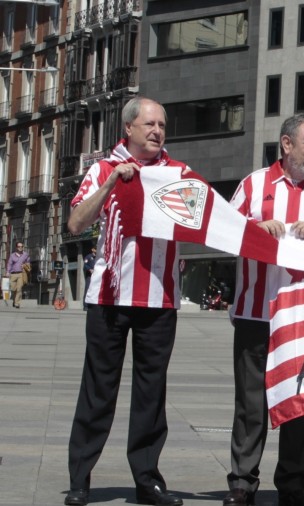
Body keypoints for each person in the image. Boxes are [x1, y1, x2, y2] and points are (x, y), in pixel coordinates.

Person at [64, 97, 188, 506]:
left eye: (163, 126)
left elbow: (211, 216)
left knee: (151, 395)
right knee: (98, 390)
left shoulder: (178, 173)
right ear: (129, 128)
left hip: (160, 297)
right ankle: (81, 478)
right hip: (109, 297)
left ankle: (148, 480)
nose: (157, 131)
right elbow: (76, 222)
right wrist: (110, 183)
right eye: (150, 124)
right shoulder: (103, 168)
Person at [224, 114, 304, 506]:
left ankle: (292, 486)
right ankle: (242, 483)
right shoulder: (253, 185)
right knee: (250, 403)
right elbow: (223, 230)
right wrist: (254, 231)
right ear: (286, 144)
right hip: (255, 312)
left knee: (299, 404)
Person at [6, 241, 29, 308]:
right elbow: (9, 264)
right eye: (19, 246)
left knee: (19, 288)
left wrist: (25, 265)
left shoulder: (25, 255)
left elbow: (28, 262)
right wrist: (8, 272)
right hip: (13, 274)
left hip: (21, 274)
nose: (20, 248)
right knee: (13, 289)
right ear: (16, 247)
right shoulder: (12, 255)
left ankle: (17, 303)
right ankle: (14, 300)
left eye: (21, 246)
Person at [82, 246, 96, 310]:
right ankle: (86, 305)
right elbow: (85, 265)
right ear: (92, 249)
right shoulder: (88, 257)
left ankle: (93, 305)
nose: (96, 250)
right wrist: (89, 269)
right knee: (87, 289)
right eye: (95, 249)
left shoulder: (98, 257)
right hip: (89, 276)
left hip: (96, 276)